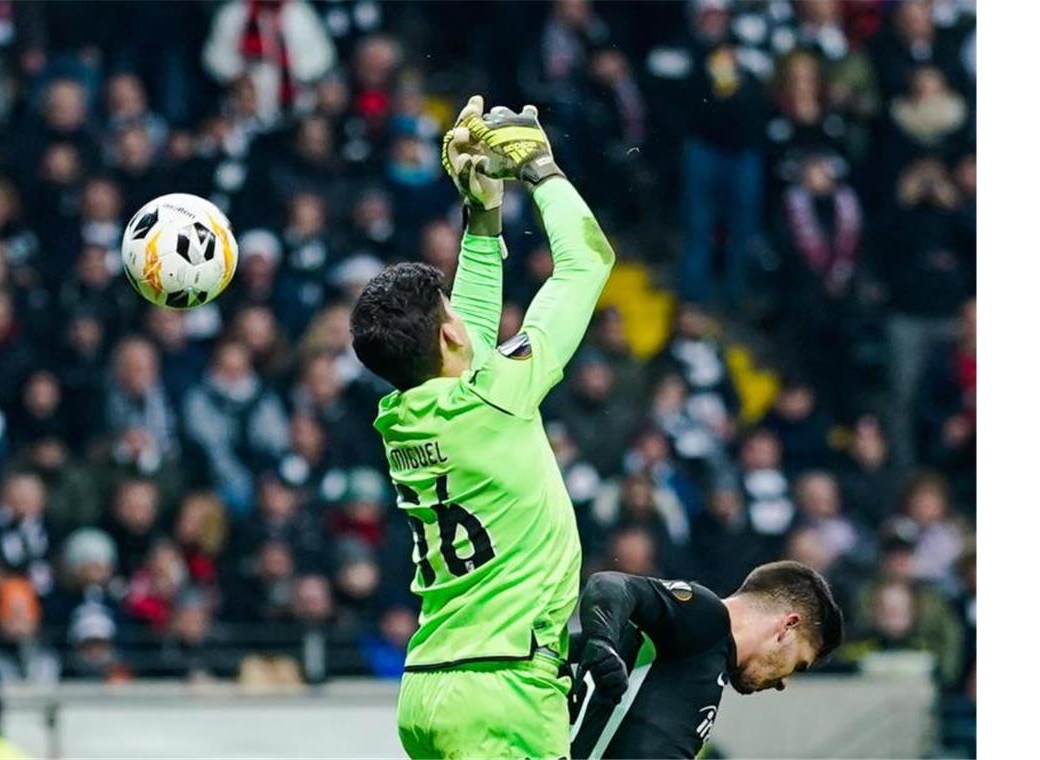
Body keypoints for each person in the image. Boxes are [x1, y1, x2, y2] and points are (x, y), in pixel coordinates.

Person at [349, 96, 615, 759]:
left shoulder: (403, 414)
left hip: (431, 685)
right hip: (506, 690)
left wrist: (482, 212)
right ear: (448, 332)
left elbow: (461, 334)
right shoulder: (495, 396)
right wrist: (542, 170)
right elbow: (589, 263)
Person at [569, 561, 844, 759]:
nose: (783, 683)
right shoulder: (707, 619)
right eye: (797, 665)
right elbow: (611, 584)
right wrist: (602, 642)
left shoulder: (710, 662)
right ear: (788, 626)